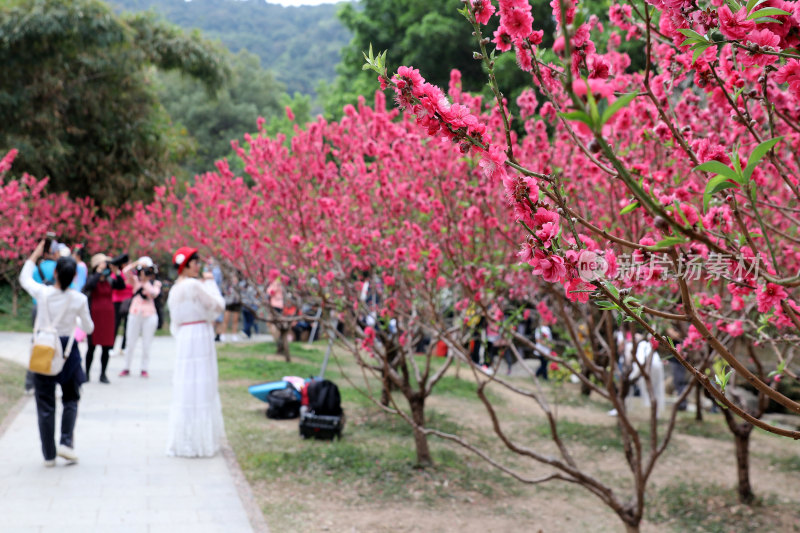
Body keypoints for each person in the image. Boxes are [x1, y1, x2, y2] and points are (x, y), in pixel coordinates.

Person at [20, 240, 94, 466]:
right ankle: (65, 442)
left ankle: (49, 455)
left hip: (44, 348)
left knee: (45, 403)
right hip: (68, 352)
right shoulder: (79, 299)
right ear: (73, 277)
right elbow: (88, 328)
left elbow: (24, 278)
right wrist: (76, 320)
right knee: (71, 398)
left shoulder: (42, 294)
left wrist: (36, 254)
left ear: (55, 273)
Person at [166, 246, 226, 457]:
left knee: (186, 386)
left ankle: (186, 439)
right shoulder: (194, 286)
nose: (198, 266)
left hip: (185, 337)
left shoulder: (175, 290)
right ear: (188, 265)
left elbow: (175, 320)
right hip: (200, 334)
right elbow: (218, 305)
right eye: (195, 262)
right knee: (202, 383)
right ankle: (201, 440)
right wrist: (210, 283)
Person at [83, 253, 124, 383]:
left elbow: (121, 285)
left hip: (108, 316)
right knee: (91, 347)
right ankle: (87, 373)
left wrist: (116, 272)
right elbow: (89, 286)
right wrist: (98, 272)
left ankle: (103, 374)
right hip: (95, 315)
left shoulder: (110, 280)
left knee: (106, 346)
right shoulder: (92, 278)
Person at [119, 257, 162, 378]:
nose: (145, 272)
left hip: (150, 314)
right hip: (135, 312)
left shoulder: (155, 283)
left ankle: (144, 368)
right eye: (143, 270)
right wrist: (137, 264)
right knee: (130, 341)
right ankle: (126, 367)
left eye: (147, 270)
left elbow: (153, 294)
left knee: (147, 343)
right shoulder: (135, 280)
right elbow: (125, 272)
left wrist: (146, 281)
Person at [110, 255, 133, 356]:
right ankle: (111, 347)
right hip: (118, 301)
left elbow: (132, 286)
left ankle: (123, 347)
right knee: (115, 324)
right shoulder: (116, 274)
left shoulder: (131, 275)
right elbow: (116, 285)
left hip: (128, 302)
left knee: (127, 326)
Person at [221, 271, 243, 342]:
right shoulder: (228, 284)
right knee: (226, 319)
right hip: (228, 302)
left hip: (236, 303)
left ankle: (234, 335)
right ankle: (223, 334)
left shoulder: (240, 285)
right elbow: (223, 290)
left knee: (235, 320)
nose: (234, 278)